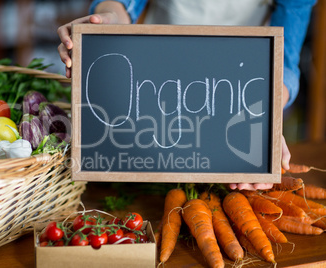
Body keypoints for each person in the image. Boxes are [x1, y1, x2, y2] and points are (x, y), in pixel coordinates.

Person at [57, 0, 317, 190]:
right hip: (150, 90)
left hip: (234, 96)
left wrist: (265, 114)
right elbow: (121, 5)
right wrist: (104, 24)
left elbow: (285, 59)